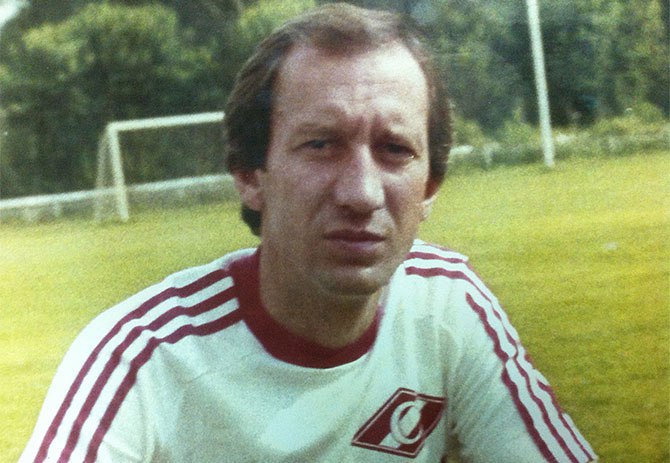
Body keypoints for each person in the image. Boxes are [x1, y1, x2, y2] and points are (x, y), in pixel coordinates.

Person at [20, 3, 597, 462]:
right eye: (321, 145)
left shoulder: (446, 304)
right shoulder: (142, 357)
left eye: (395, 149)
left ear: (430, 187)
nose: (362, 193)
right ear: (251, 175)